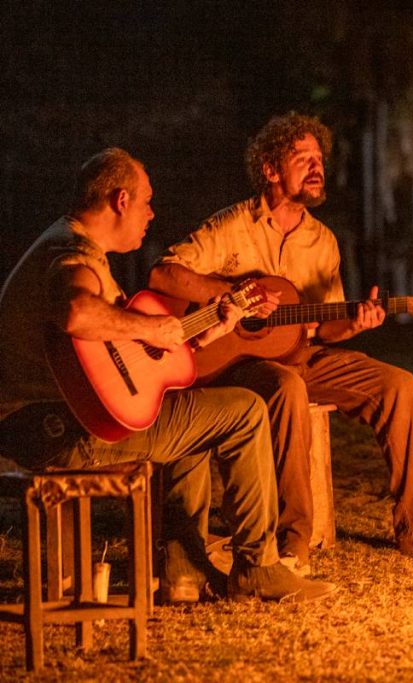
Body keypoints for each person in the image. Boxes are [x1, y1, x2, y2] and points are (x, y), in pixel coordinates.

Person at [148, 112, 413, 571]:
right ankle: (293, 539)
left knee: (398, 385)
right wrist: (228, 295)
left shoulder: (322, 241)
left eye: (319, 158)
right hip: (238, 363)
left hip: (303, 353)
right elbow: (163, 273)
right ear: (269, 169)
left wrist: (357, 324)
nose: (316, 166)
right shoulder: (232, 226)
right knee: (286, 387)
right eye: (302, 158)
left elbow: (326, 325)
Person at [0, 148, 336, 603]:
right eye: (146, 201)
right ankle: (258, 566)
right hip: (54, 426)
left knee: (189, 406)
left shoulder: (73, 245)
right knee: (247, 411)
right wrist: (153, 326)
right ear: (120, 200)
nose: (151, 213)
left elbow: (126, 357)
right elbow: (77, 312)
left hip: (55, 419)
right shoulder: (72, 253)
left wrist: (206, 331)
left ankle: (182, 575)